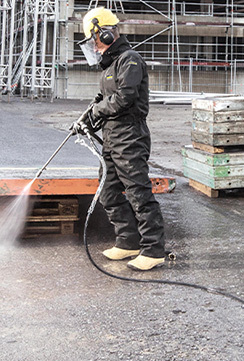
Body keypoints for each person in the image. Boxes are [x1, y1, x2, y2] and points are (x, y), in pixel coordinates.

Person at [79, 7, 172, 271]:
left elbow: (124, 97)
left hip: (130, 135)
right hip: (112, 136)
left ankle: (153, 250)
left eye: (94, 39)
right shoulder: (109, 66)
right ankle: (128, 241)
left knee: (138, 192)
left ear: (106, 34)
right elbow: (103, 99)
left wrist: (97, 111)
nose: (94, 46)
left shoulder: (130, 60)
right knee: (108, 191)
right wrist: (86, 117)